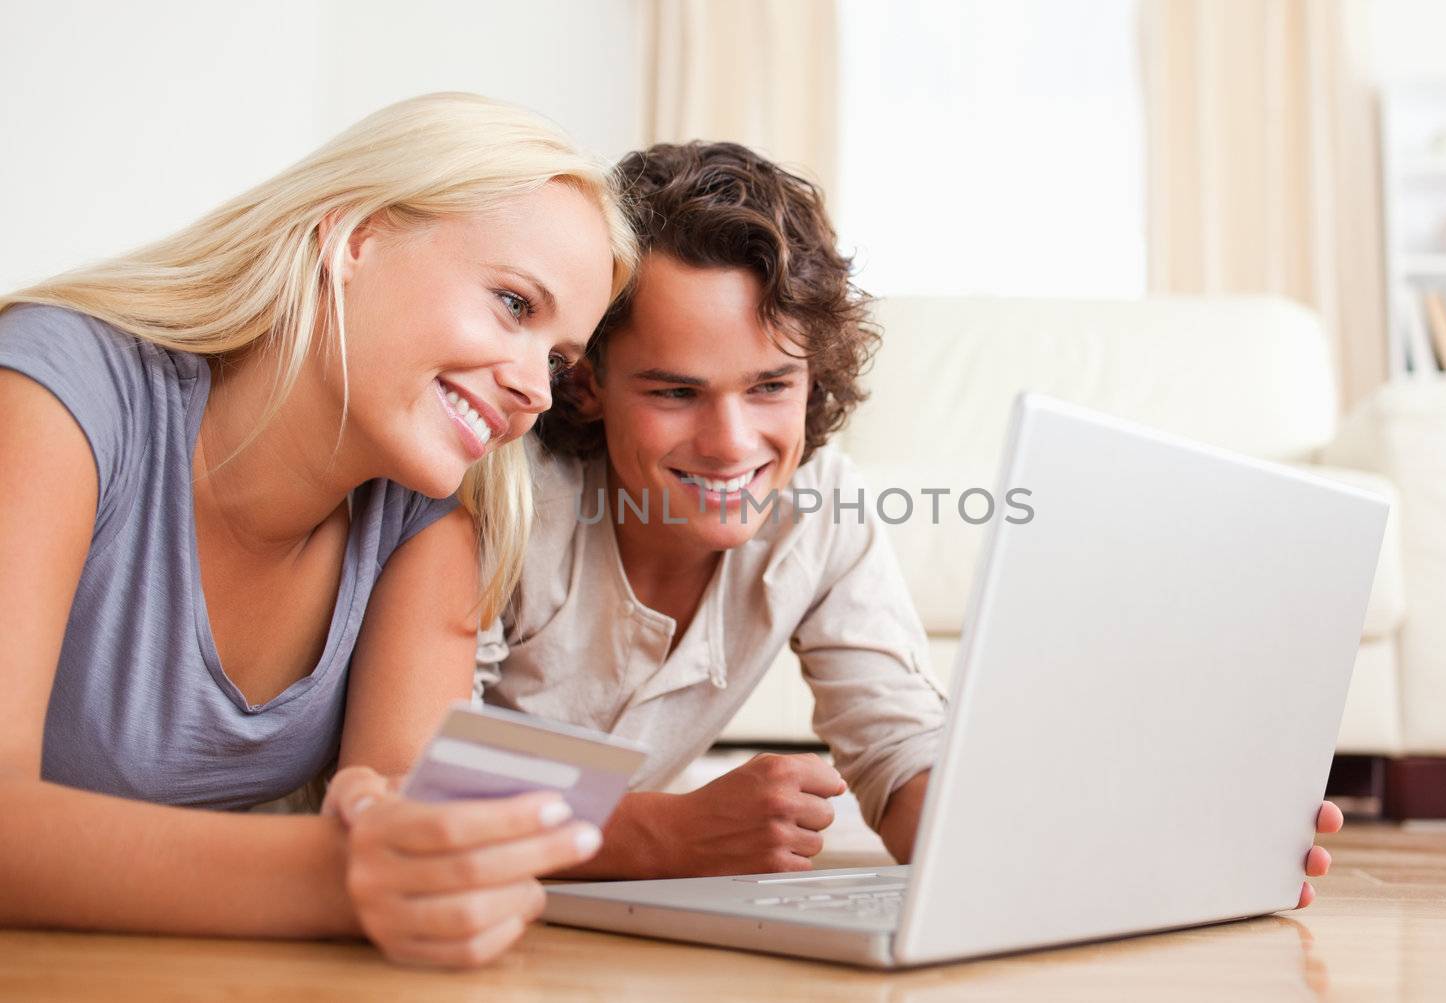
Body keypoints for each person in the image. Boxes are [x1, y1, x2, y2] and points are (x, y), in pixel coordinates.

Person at [468, 142, 1344, 904]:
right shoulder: (509, 501)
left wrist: (1154, 851)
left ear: (815, 375)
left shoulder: (823, 513)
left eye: (771, 385)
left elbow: (900, 761)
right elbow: (414, 782)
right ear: (585, 378)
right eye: (674, 391)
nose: (731, 443)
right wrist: (664, 834)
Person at [0, 92, 636, 968]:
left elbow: (412, 804)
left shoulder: (430, 513)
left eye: (559, 361)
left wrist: (423, 847)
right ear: (356, 237)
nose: (537, 388)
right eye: (515, 306)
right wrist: (334, 874)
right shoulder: (58, 394)